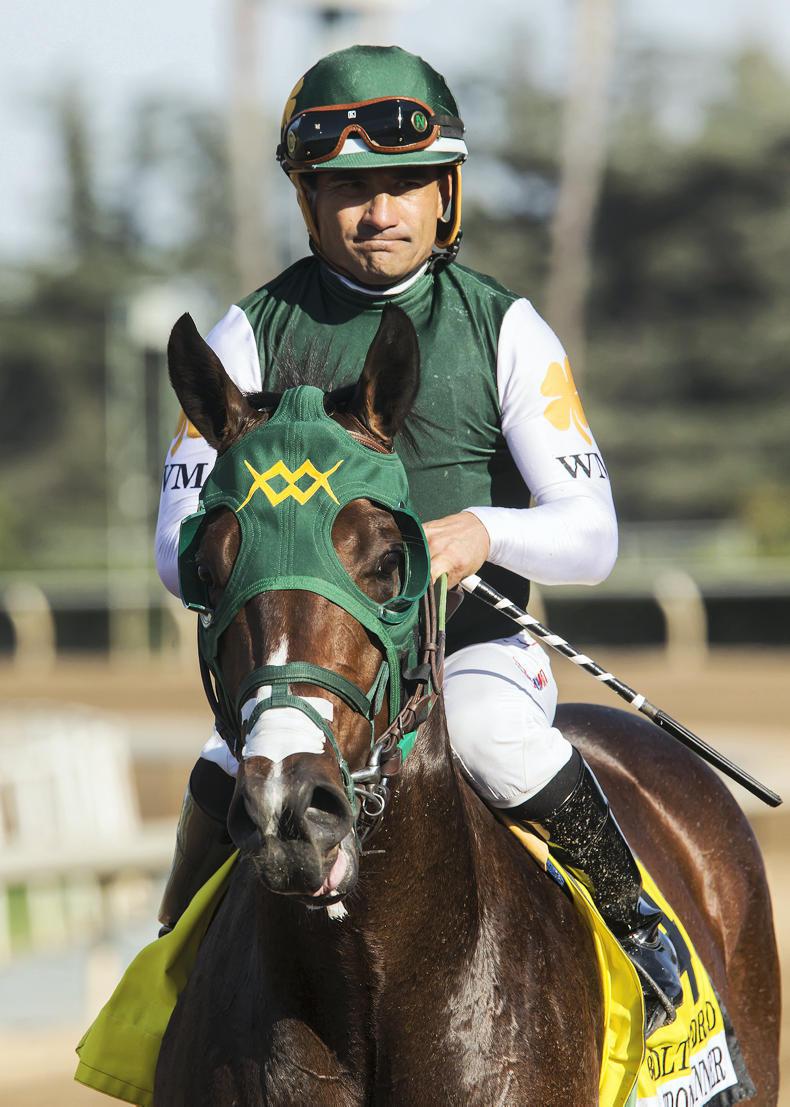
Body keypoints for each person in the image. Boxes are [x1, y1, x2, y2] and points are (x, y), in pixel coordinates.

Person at [154, 44, 682, 1035]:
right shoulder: (243, 336)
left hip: (469, 655)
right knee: (228, 764)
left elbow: (592, 536)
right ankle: (166, 984)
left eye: (404, 184)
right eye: (348, 190)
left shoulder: (506, 329)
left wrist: (480, 531)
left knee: (489, 738)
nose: (378, 212)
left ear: (446, 195)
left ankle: (647, 942)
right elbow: (174, 546)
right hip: (309, 668)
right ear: (309, 202)